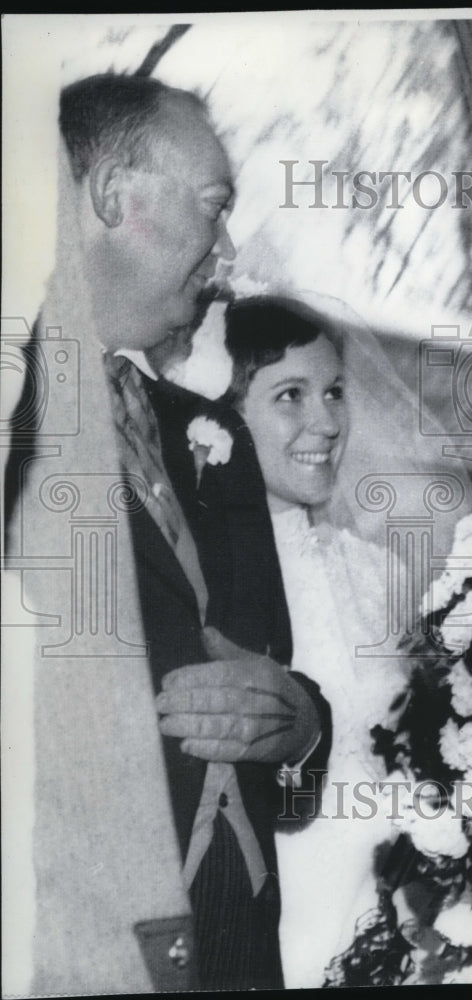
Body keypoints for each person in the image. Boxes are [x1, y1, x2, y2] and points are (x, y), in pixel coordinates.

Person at [6, 73, 326, 991]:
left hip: (237, 935)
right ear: (112, 196)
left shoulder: (211, 431)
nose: (226, 249)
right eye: (215, 207)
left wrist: (301, 725)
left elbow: (270, 666)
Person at [218, 295, 407, 987]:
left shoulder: (377, 572)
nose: (325, 422)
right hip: (280, 935)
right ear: (224, 415)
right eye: (289, 396)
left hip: (402, 915)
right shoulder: (213, 589)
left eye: (333, 392)